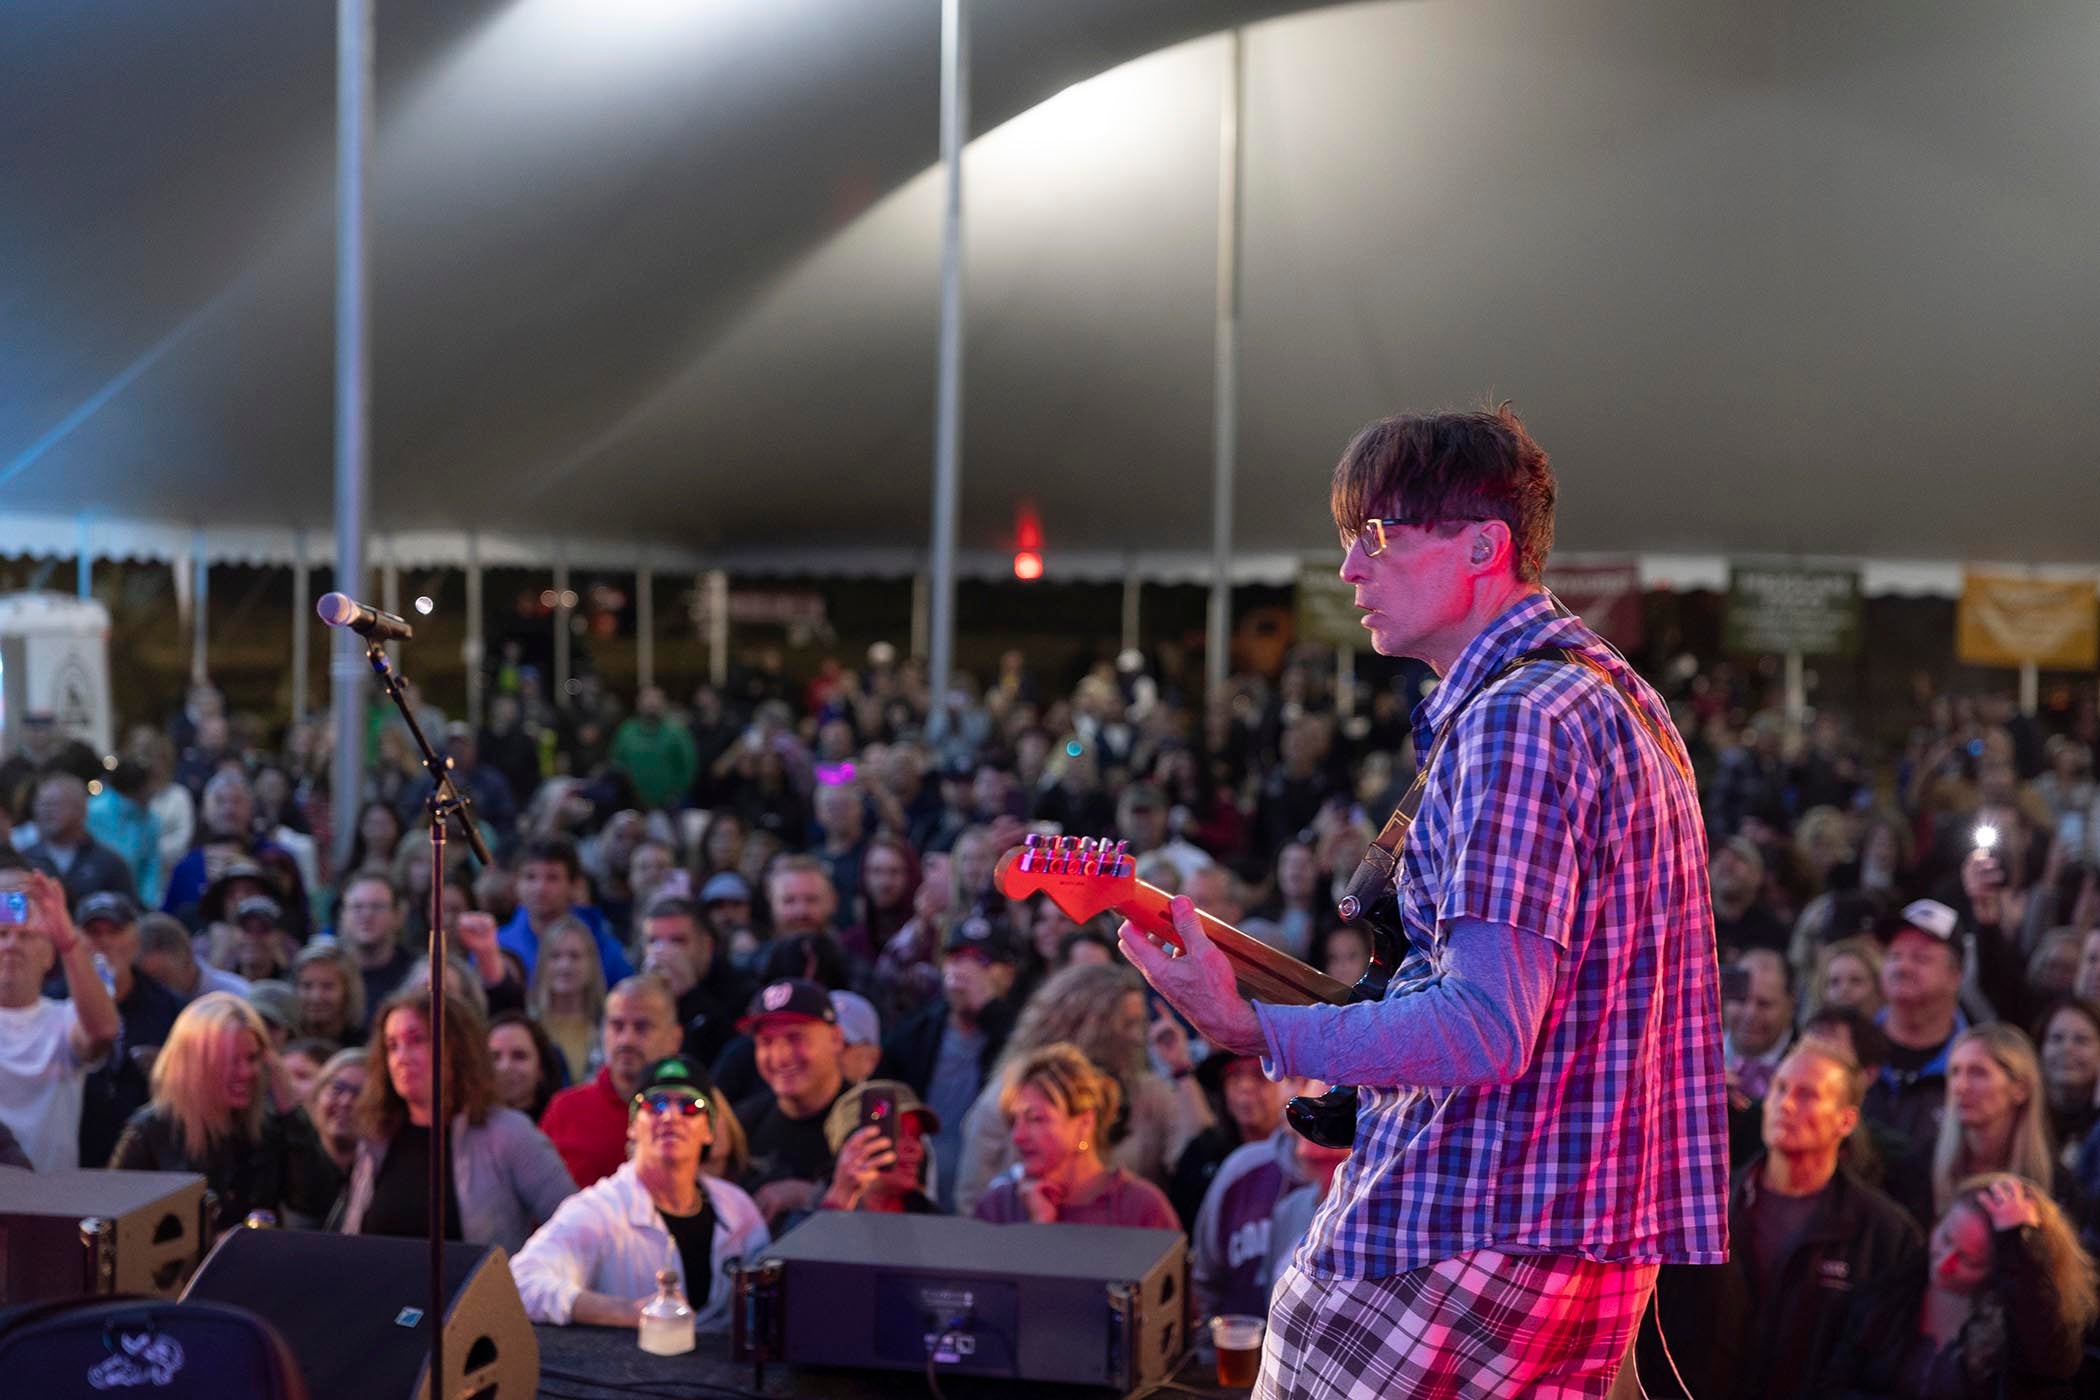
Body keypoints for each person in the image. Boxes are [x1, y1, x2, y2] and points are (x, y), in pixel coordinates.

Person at [1119, 407, 1727, 1398]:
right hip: (1585, 1236)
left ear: (1485, 545)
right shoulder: (1613, 696)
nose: (1351, 569)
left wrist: (1252, 1024)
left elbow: (1486, 1028)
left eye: (1376, 536)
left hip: (1465, 1223)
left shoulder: (1517, 723)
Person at [1638, 1042, 1922, 1400]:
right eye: (1779, 1088)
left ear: (1846, 1119)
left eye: (1807, 1095)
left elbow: (1879, 1365)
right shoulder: (1705, 1209)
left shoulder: (1886, 1234)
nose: (1784, 1105)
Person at [511, 1055, 767, 1330]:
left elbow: (771, 1286)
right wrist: (623, 1312)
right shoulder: (601, 1210)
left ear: (709, 1131)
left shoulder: (737, 1208)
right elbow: (519, 1281)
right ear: (632, 1126)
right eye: (654, 1104)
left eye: (690, 1106)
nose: (670, 1116)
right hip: (634, 1369)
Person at [953, 962, 1207, 1215]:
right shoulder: (1013, 1095)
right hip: (1022, 1243)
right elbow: (972, 1199)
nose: (1137, 1038)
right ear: (1085, 1026)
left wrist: (1181, 1070)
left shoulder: (1148, 1093)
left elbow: (1197, 1160)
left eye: (1140, 1024)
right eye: (1127, 1024)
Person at [1816, 1173, 2097, 1399]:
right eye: (1946, 1238)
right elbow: (1835, 1381)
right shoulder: (1896, 1286)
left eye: (1970, 1260)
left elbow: (2050, 1359)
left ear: (2002, 1271)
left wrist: (2023, 1248)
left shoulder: (2021, 1327)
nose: (1944, 1264)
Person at [336, 990, 575, 1253]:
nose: (402, 1057)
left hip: (476, 1294)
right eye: (392, 1045)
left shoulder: (509, 1133)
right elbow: (353, 1238)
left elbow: (574, 1227)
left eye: (416, 1040)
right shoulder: (378, 1136)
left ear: (456, 1049)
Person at [108, 993, 342, 1232]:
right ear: (195, 1064)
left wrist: (291, 1108)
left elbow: (315, 1202)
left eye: (252, 1058)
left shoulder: (269, 1125)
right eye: (231, 1061)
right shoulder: (150, 1131)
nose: (247, 1072)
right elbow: (113, 1228)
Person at [877, 912, 1019, 1211]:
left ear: (1007, 974)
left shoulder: (1018, 1033)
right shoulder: (915, 1032)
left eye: (981, 961)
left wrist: (990, 1011)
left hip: (989, 1197)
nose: (964, 971)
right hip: (920, 1194)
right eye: (956, 958)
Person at [973, 1043, 1177, 1229]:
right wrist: (1039, 1225)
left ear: (1085, 1123)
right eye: (1014, 1120)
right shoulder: (1000, 1207)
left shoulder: (1140, 1209)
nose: (1018, 1136)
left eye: (1036, 1119)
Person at [0, 864, 120, 1170]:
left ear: (48, 955)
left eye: (26, 936)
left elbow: (104, 1031)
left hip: (52, 1205)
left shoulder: (64, 1019)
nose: (11, 945)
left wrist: (67, 940)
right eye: (1, 934)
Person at [539, 974, 686, 1188]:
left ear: (675, 1038)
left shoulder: (690, 1113)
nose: (627, 1039)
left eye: (642, 1027)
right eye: (617, 1026)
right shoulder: (564, 1109)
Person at [72, 892, 185, 1169]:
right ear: (76, 942)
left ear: (135, 941)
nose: (105, 941)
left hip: (148, 1158)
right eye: (94, 932)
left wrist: (163, 1070)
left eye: (115, 931)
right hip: (74, 1155)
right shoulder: (55, 1003)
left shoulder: (169, 1007)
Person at [733, 978, 849, 1226]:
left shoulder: (868, 1121)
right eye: (766, 1041)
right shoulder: (742, 1124)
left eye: (795, 1038)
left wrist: (810, 1196)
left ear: (836, 1039)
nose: (780, 1056)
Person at [1867, 899, 1970, 1162]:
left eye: (1920, 958)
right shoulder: (1849, 1052)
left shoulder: (1976, 1069)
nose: (1902, 967)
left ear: (1956, 976)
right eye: (1894, 955)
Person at [496, 837, 630, 987]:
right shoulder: (497, 946)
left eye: (552, 878)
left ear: (574, 885)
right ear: (516, 883)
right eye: (530, 877)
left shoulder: (604, 948)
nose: (540, 888)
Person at [636, 895, 749, 1068]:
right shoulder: (635, 992)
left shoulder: (741, 990)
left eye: (678, 941)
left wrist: (690, 995)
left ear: (707, 946)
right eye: (654, 941)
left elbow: (735, 1060)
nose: (664, 952)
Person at [818, 1079, 942, 1214]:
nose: (914, 1148)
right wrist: (841, 1196)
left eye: (917, 1135)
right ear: (851, 1144)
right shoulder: (807, 1215)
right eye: (897, 1133)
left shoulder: (935, 1222)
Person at [20, 773, 140, 908]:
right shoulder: (22, 861)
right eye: (41, 804)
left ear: (81, 809)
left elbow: (129, 918)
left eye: (54, 804)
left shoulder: (109, 863)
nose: (46, 810)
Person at [529, 916, 608, 1084]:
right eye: (555, 956)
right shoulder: (528, 1026)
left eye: (575, 956)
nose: (565, 965)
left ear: (591, 965)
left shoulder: (609, 1027)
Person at [335, 873, 413, 1025]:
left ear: (398, 916)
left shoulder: (414, 973)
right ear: (343, 916)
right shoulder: (327, 971)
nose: (367, 915)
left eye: (377, 907)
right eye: (357, 907)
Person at [1724, 947, 1794, 1104]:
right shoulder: (1696, 1057)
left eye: (1764, 1004)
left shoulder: (1808, 1066)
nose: (1750, 1014)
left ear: (1790, 1006)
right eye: (1740, 1000)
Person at [135, 911, 249, 1004]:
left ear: (187, 956)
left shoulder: (238, 996)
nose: (157, 988)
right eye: (148, 980)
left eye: (162, 977)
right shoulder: (143, 1008)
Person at [488, 1009, 566, 1124]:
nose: (505, 1067)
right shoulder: (465, 1126)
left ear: (541, 1068)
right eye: (495, 1057)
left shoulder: (561, 1123)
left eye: (519, 1056)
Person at [290, 941, 366, 1048]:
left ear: (348, 992)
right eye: (307, 986)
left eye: (327, 986)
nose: (316, 997)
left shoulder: (364, 1046)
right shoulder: (283, 1041)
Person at [306, 1045, 366, 1176]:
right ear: (316, 1096)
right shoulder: (292, 1165)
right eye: (337, 1089)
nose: (346, 1102)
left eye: (360, 1094)